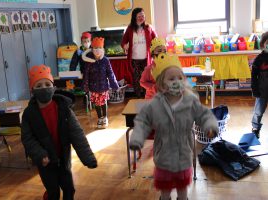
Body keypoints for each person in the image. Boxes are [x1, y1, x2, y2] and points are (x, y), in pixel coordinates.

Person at [129, 53, 218, 200]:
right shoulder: (155, 104)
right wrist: (137, 138)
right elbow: (143, 121)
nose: (177, 81)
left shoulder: (190, 101)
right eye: (171, 79)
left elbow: (204, 115)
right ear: (162, 84)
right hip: (163, 156)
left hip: (184, 154)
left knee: (183, 191)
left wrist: (210, 126)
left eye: (180, 77)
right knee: (165, 192)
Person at [21, 64, 97, 200]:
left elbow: (77, 134)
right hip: (45, 162)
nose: (43, 88)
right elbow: (27, 139)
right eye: (38, 86)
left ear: (53, 87)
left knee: (69, 189)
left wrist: (88, 158)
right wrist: (40, 155)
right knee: (53, 192)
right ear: (32, 90)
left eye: (47, 84)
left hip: (63, 157)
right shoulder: (29, 114)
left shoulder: (64, 108)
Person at [83, 37, 119, 128]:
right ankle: (100, 118)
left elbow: (110, 72)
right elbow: (86, 75)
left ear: (102, 49)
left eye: (99, 48)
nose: (97, 50)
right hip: (93, 87)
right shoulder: (88, 61)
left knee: (103, 102)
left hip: (103, 87)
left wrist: (114, 84)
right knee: (96, 103)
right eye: (95, 48)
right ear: (92, 49)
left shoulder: (105, 60)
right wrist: (85, 86)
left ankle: (105, 118)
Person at [121, 7, 157, 98]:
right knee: (137, 80)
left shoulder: (149, 27)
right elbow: (123, 41)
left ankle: (147, 97)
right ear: (134, 17)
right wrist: (125, 46)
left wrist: (157, 50)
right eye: (139, 16)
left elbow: (156, 40)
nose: (141, 17)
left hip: (146, 59)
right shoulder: (129, 29)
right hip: (134, 59)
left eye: (143, 15)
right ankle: (138, 97)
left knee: (147, 79)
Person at [251, 31, 268, 138]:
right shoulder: (259, 59)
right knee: (258, 111)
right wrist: (255, 89)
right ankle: (255, 129)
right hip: (262, 91)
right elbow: (253, 76)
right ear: (263, 44)